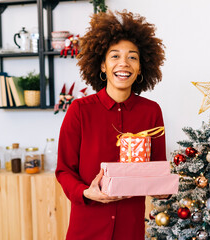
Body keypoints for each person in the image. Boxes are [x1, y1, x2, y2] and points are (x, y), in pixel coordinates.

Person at [56, 10, 166, 240]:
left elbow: (157, 169)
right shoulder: (79, 111)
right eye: (114, 56)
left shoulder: (151, 111)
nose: (123, 63)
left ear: (141, 67)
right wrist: (86, 192)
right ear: (103, 65)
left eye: (132, 57)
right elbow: (64, 170)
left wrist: (162, 189)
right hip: (86, 228)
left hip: (130, 229)